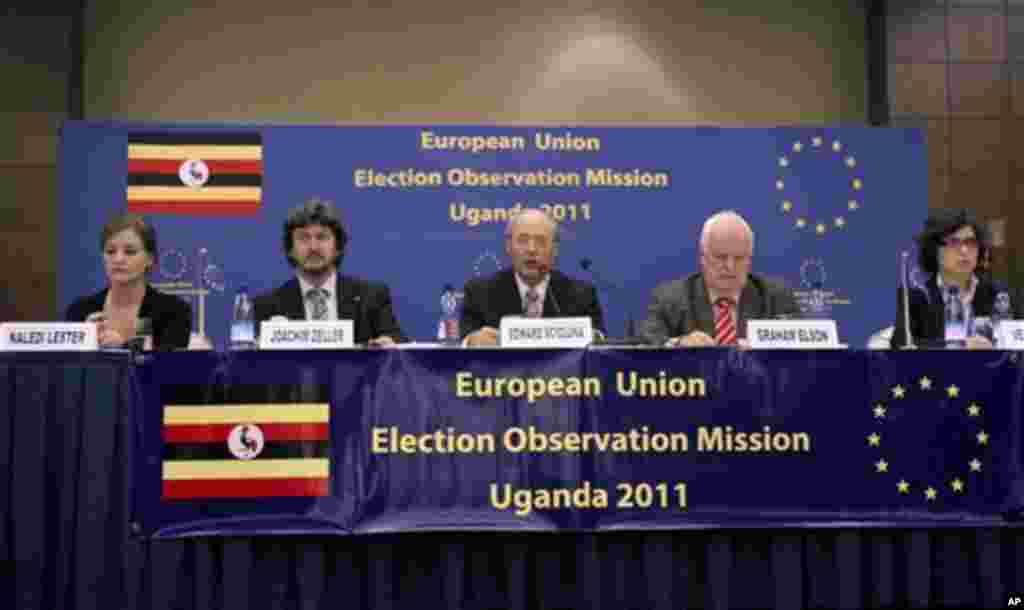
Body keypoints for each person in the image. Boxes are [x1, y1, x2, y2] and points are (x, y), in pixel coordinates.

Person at [253, 197, 404, 345]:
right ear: (290, 250)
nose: (313, 247)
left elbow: (402, 348)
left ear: (337, 247)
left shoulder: (371, 297)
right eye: (303, 238)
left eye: (322, 237)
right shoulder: (267, 306)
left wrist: (391, 345)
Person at [638, 210, 799, 347]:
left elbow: (802, 345)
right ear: (703, 257)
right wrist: (679, 343)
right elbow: (646, 341)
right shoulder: (672, 299)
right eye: (721, 257)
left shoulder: (776, 297)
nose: (730, 266)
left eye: (739, 258)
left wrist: (767, 344)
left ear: (749, 259)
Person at [460, 208, 605, 346]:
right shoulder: (479, 293)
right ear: (508, 246)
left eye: (541, 241)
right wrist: (473, 341)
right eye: (523, 240)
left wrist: (592, 337)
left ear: (554, 250)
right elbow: (464, 342)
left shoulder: (581, 295)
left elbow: (598, 340)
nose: (531, 249)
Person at [891, 208, 1019, 349]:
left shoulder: (1000, 294)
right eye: (953, 242)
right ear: (934, 250)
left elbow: (1017, 341)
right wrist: (958, 346)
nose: (964, 250)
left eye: (970, 242)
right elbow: (901, 345)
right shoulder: (915, 296)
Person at [65, 214, 192, 349]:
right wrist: (84, 340)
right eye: (110, 251)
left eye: (130, 252)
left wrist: (123, 348)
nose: (118, 259)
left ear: (150, 259)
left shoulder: (174, 311)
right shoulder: (79, 311)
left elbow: (168, 367)